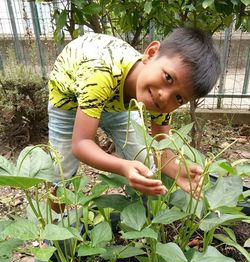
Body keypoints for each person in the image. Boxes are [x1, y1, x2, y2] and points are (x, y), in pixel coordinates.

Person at [48, 27, 221, 211]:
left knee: (144, 162)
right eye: (168, 78)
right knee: (61, 172)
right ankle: (57, 228)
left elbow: (160, 144)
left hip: (119, 103)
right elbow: (81, 143)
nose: (165, 96)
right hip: (69, 103)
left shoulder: (158, 97)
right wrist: (123, 167)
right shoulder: (101, 71)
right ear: (151, 54)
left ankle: (140, 215)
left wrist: (176, 170)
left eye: (179, 98)